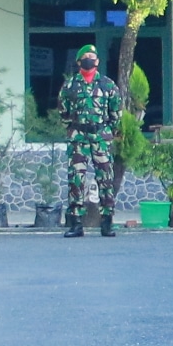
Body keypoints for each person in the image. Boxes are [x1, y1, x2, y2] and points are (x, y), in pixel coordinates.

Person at [57, 43, 124, 237]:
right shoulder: (70, 85)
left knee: (105, 178)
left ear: (98, 61)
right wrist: (73, 128)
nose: (90, 59)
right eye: (85, 56)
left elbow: (115, 113)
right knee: (76, 179)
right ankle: (76, 223)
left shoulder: (107, 85)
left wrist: (107, 131)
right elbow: (64, 112)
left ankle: (107, 222)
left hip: (101, 137)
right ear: (79, 61)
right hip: (78, 137)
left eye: (92, 56)